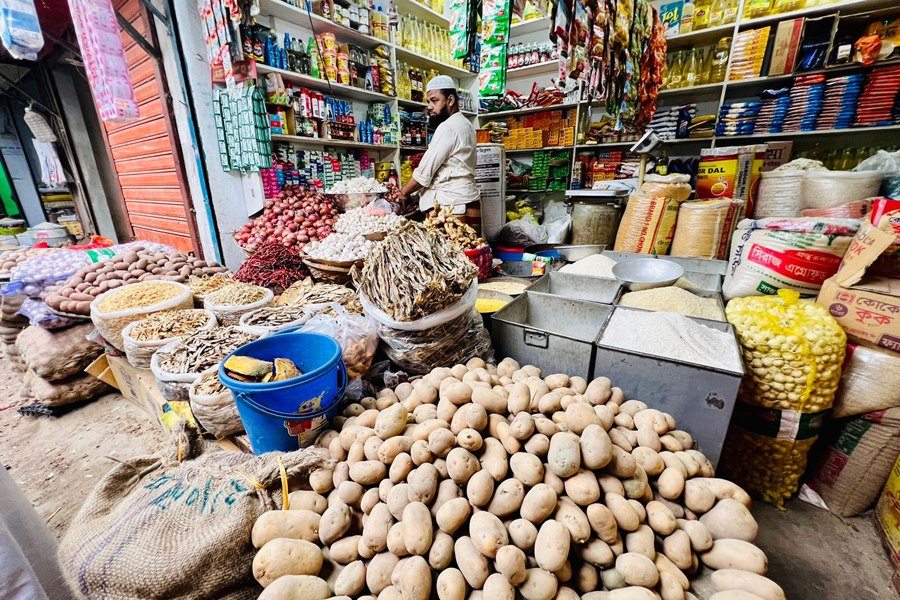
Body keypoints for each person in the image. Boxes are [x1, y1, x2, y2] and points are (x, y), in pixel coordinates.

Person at [398, 75, 480, 217]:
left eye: (435, 101)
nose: (429, 106)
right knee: (472, 239)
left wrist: (404, 192)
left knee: (453, 240)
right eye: (428, 101)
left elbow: (424, 172)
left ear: (450, 100)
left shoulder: (448, 127)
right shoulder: (466, 124)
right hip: (468, 201)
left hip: (451, 206)